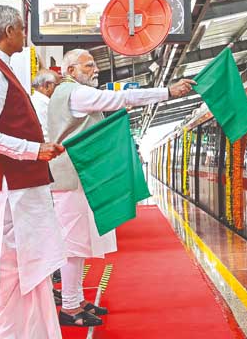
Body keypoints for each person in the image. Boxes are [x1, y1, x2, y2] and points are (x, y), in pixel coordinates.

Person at [48, 48, 196, 327]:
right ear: (71, 71)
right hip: (72, 178)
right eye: (88, 65)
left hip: (75, 178)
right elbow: (121, 97)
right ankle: (69, 307)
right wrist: (166, 92)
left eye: (94, 64)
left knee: (78, 244)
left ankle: (76, 300)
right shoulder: (75, 93)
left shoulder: (66, 93)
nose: (95, 70)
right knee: (72, 245)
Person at [0, 5, 66, 338]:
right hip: (7, 194)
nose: (25, 35)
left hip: (10, 190)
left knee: (19, 271)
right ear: (8, 32)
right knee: (9, 273)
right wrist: (35, 150)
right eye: (22, 29)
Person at [31, 69, 61, 141]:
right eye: (58, 85)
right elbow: (44, 136)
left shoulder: (37, 101)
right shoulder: (40, 105)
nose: (60, 89)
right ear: (47, 86)